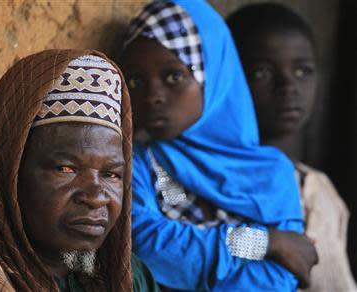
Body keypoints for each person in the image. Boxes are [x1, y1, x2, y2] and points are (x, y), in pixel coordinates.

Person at [120, 0, 318, 291]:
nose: (153, 96)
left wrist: (188, 256)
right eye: (136, 81)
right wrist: (263, 242)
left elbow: (277, 277)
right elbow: (144, 244)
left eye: (174, 76)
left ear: (214, 78)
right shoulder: (139, 161)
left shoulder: (271, 174)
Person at [0, 49, 160, 291]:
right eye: (66, 169)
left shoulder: (123, 275)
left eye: (111, 174)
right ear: (9, 170)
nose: (95, 198)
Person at [227, 3, 357, 291]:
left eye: (302, 70)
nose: (288, 86)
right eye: (261, 72)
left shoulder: (320, 190)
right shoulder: (211, 179)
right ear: (226, 79)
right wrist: (268, 243)